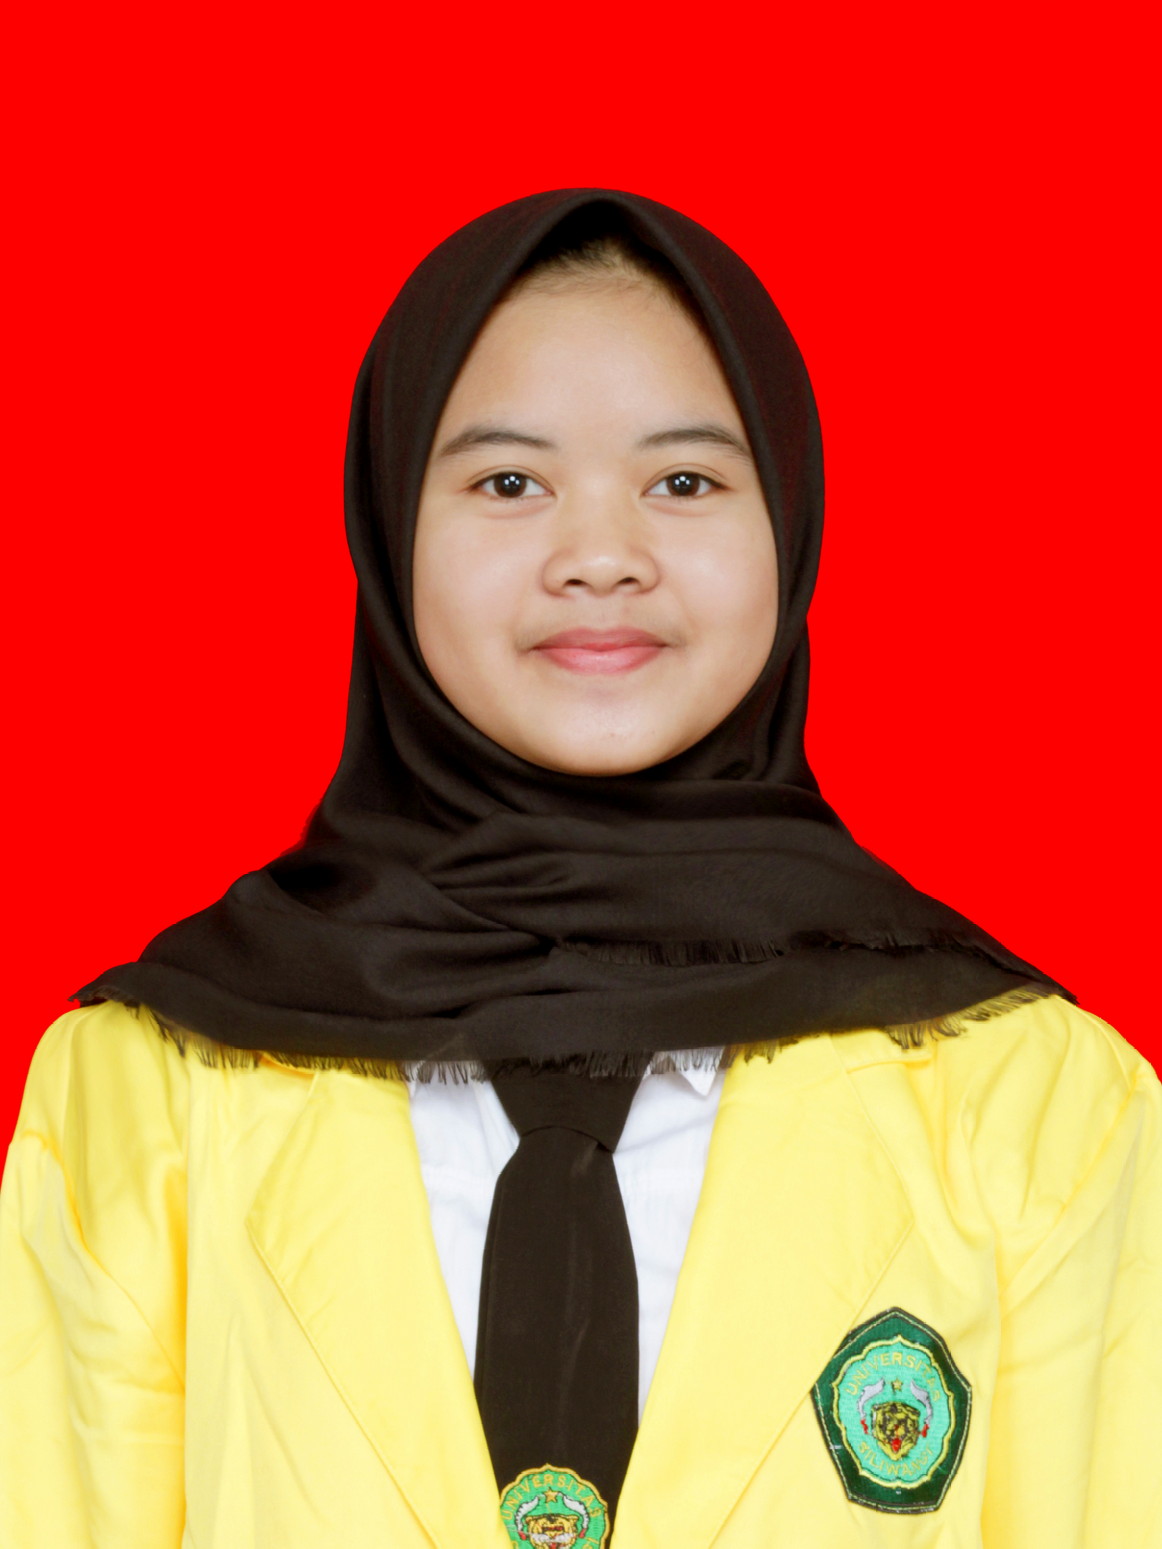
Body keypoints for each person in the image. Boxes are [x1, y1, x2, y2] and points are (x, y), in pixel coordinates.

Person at [0, 189, 1158, 1549]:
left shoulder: (1037, 1104)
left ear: (787, 519)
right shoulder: (144, 1092)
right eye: (508, 483)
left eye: (684, 482)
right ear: (388, 524)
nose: (600, 558)